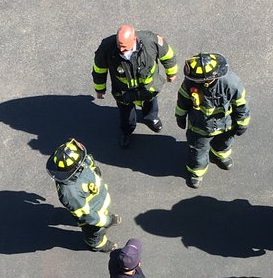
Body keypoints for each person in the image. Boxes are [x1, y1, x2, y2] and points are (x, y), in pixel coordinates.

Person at [92, 25, 178, 148]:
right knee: (126, 113)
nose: (121, 49)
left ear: (134, 39)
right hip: (123, 91)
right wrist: (100, 89)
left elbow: (168, 55)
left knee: (150, 103)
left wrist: (172, 73)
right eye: (119, 44)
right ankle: (127, 131)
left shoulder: (151, 42)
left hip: (148, 88)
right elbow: (99, 69)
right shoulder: (107, 48)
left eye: (124, 46)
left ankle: (151, 118)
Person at [174, 52, 250, 188]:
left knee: (225, 144)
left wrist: (242, 123)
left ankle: (219, 155)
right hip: (200, 127)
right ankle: (196, 173)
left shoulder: (231, 83)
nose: (195, 81)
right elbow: (183, 100)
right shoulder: (191, 82)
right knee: (198, 152)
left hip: (226, 126)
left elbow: (241, 104)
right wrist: (180, 115)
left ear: (208, 79)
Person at [47, 139, 121, 252]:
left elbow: (88, 161)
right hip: (93, 215)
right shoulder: (70, 193)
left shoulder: (79, 161)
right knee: (95, 231)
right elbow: (87, 216)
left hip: (100, 202)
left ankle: (106, 218)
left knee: (100, 220)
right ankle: (97, 245)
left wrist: (94, 169)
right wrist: (106, 220)